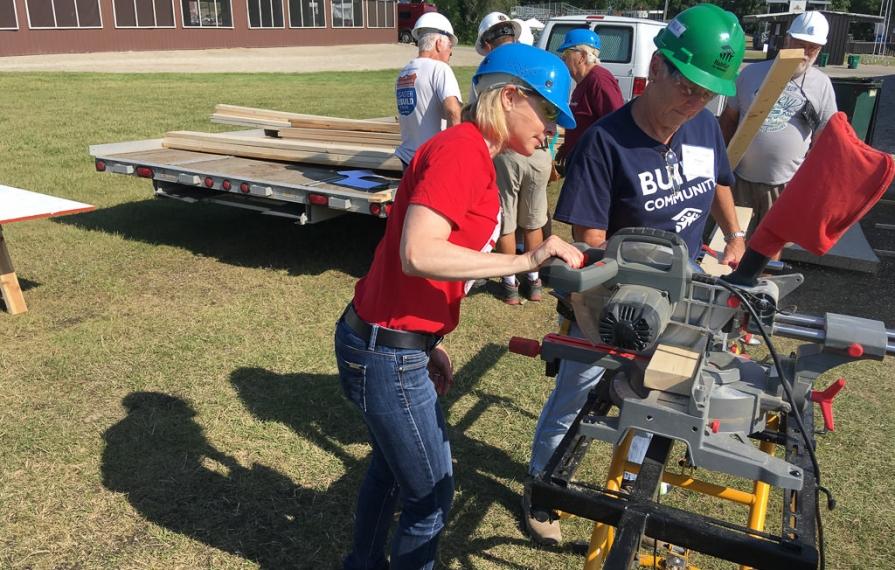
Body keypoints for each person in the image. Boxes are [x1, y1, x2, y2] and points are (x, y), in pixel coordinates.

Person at [334, 43, 582, 570]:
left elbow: (424, 261)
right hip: (385, 351)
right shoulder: (463, 151)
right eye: (548, 113)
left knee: (391, 468)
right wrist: (525, 260)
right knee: (430, 497)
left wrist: (429, 342)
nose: (554, 130)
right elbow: (419, 252)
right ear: (510, 96)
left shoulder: (476, 154)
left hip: (391, 341)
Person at [522, 3, 747, 545]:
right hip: (613, 305)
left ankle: (637, 499)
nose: (695, 100)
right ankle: (543, 490)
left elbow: (717, 180)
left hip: (686, 298)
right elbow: (591, 242)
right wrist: (623, 297)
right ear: (658, 64)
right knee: (576, 396)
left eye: (707, 91)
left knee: (665, 401)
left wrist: (734, 232)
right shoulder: (606, 142)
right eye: (687, 84)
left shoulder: (704, 129)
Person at [719, 11, 837, 259]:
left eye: (812, 48)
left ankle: (762, 293)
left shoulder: (822, 85)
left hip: (784, 185)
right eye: (800, 44)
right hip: (741, 180)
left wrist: (810, 186)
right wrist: (720, 167)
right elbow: (728, 120)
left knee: (770, 252)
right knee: (731, 244)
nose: (805, 53)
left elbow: (825, 139)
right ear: (787, 40)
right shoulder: (751, 74)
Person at [474, 12, 555, 304]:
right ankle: (533, 281)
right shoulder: (534, 60)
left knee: (506, 218)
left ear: (487, 42)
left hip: (506, 154)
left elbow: (480, 117)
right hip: (539, 152)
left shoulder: (489, 71)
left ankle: (509, 284)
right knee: (533, 219)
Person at [394, 12, 463, 168]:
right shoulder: (440, 69)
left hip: (408, 160)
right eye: (450, 46)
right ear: (439, 43)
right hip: (432, 160)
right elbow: (453, 111)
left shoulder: (404, 73)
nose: (450, 52)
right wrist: (455, 153)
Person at [554, 28, 624, 169]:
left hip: (593, 164)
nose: (563, 58)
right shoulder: (584, 81)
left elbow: (617, 124)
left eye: (567, 53)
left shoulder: (599, 80)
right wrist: (566, 148)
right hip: (581, 161)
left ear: (582, 56)